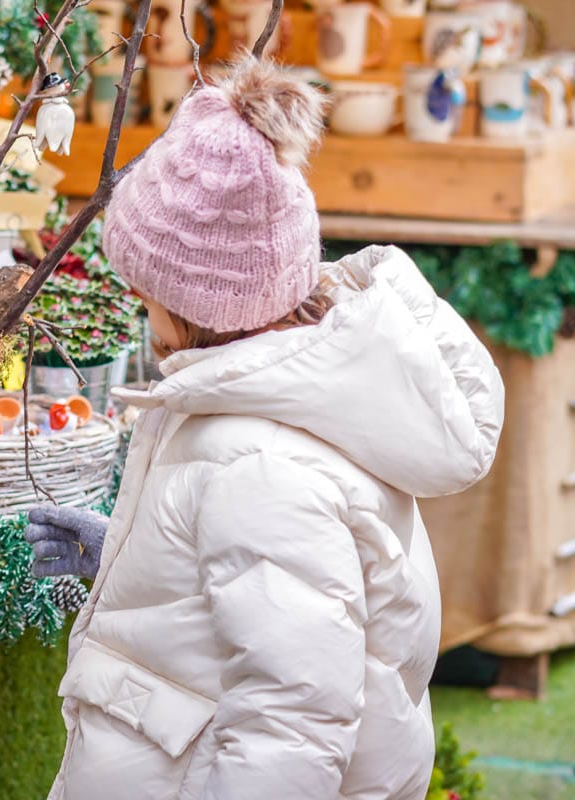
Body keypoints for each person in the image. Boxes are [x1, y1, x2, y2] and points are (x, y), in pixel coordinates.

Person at [26, 56, 504, 800]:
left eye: (147, 295)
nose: (141, 315)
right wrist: (135, 549)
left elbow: (292, 729)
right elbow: (250, 596)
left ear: (196, 305)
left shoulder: (259, 466)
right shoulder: (272, 402)